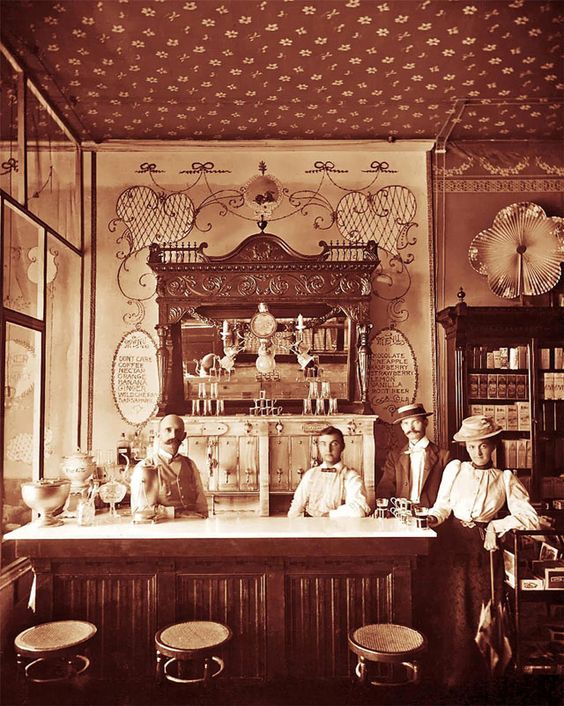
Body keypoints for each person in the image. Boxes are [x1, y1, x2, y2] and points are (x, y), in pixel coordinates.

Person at [426, 415, 539, 690]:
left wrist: (496, 525)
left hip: (483, 548)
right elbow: (442, 507)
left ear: (494, 446)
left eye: (483, 446)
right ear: (465, 447)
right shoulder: (455, 469)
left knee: (482, 608)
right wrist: (431, 518)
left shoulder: (504, 478)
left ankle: (482, 679)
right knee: (454, 610)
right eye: (472, 446)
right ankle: (452, 676)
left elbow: (530, 518)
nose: (477, 452)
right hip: (452, 544)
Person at [132, 414, 208, 517]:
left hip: (193, 527)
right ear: (158, 435)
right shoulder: (146, 467)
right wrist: (176, 514)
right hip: (163, 528)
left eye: (178, 431)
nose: (173, 435)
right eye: (168, 430)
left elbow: (201, 505)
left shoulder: (190, 464)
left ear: (184, 436)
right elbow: (140, 510)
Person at [376, 403, 451, 507]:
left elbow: (448, 493)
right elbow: (385, 488)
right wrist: (387, 510)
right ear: (402, 427)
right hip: (401, 513)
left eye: (415, 422)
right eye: (406, 423)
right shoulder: (394, 456)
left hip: (430, 515)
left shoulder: (443, 456)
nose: (410, 428)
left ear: (425, 422)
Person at [287, 426, 371, 518]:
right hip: (311, 529)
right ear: (318, 447)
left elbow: (358, 510)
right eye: (323, 444)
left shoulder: (351, 477)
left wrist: (328, 515)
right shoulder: (311, 474)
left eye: (334, 444)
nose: (328, 449)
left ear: (343, 447)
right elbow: (295, 509)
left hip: (339, 529)